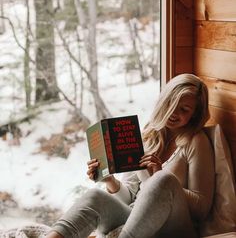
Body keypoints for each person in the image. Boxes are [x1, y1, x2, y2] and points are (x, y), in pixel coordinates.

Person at [46, 73, 215, 238]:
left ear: (195, 114)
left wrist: (158, 175)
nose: (173, 112)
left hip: (174, 228)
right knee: (95, 196)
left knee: (164, 180)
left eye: (184, 109)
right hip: (138, 224)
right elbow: (129, 198)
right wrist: (110, 181)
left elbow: (201, 209)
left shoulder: (196, 141)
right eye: (171, 102)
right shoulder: (148, 136)